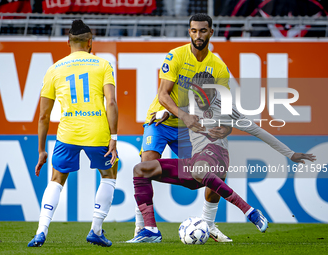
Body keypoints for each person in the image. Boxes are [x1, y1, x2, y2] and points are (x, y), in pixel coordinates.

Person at [127, 71, 316, 243]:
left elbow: (258, 131)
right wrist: (165, 112)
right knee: (141, 169)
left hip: (217, 158)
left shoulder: (226, 108)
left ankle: (250, 211)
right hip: (195, 164)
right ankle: (151, 230)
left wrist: (290, 154)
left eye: (203, 94)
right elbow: (176, 109)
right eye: (195, 94)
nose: (198, 99)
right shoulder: (191, 103)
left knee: (199, 169)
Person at [135, 13, 233, 242]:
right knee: (146, 165)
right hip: (161, 121)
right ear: (189, 32)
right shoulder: (176, 56)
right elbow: (162, 94)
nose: (198, 35)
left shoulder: (219, 68)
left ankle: (208, 226)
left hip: (190, 128)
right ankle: (143, 228)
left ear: (211, 32)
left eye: (202, 31)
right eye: (193, 30)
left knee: (215, 170)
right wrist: (184, 115)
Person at [28, 20, 118, 248]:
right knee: (108, 174)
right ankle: (96, 230)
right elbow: (112, 102)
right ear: (90, 42)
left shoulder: (54, 69)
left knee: (56, 180)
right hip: (97, 132)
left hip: (67, 134)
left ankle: (41, 231)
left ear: (68, 42)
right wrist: (114, 137)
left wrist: (41, 151)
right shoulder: (103, 65)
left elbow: (43, 116)